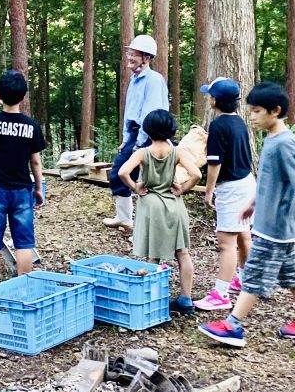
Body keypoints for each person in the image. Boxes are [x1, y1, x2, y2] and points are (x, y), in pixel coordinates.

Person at [199, 83, 295, 347]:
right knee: (293, 276)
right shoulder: (271, 138)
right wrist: (253, 204)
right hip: (273, 224)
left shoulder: (284, 143)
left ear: (275, 111)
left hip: (275, 228)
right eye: (250, 110)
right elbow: (270, 181)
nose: (251, 116)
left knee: (253, 276)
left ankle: (232, 326)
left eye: (257, 111)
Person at [117, 109, 202, 315]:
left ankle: (152, 299)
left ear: (147, 129)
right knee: (182, 252)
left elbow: (122, 172)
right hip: (174, 204)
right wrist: (183, 188)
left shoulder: (143, 152)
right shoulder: (177, 152)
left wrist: (135, 187)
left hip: (152, 204)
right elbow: (197, 174)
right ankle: (186, 299)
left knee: (153, 255)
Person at [0, 70, 46, 287]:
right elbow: (35, 162)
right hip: (21, 192)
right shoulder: (32, 126)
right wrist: (39, 188)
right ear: (23, 97)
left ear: (0, 95)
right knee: (24, 244)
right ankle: (24, 289)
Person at [195, 78, 254, 312]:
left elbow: (215, 162)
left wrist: (209, 190)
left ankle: (221, 294)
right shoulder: (240, 122)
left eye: (210, 95)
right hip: (247, 182)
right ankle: (246, 279)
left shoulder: (219, 125)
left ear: (215, 100)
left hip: (231, 187)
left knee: (226, 243)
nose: (208, 98)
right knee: (243, 237)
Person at [106, 35, 169, 231]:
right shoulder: (134, 80)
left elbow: (149, 114)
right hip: (135, 134)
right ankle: (124, 218)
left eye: (134, 54)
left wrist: (140, 142)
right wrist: (127, 139)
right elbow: (130, 112)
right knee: (119, 174)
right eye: (129, 53)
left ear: (146, 57)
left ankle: (147, 226)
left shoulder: (154, 80)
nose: (129, 57)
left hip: (150, 136)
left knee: (147, 181)